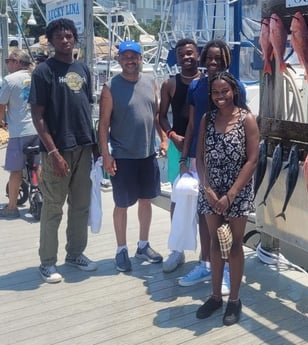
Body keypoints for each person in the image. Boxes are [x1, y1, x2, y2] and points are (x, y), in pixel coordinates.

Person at [29, 18, 98, 283]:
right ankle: (47, 262)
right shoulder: (43, 72)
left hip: (84, 146)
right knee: (53, 207)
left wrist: (96, 148)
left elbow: (86, 108)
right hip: (57, 150)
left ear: (75, 39)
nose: (65, 40)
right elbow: (38, 117)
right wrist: (54, 153)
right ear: (51, 41)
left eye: (69, 36)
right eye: (59, 37)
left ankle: (75, 253)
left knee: (80, 205)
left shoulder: (83, 68)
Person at [179, 39, 247, 293]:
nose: (213, 62)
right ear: (203, 59)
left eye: (218, 58)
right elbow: (192, 125)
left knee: (227, 217)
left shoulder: (235, 85)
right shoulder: (195, 86)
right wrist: (184, 157)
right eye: (209, 57)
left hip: (228, 160)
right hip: (201, 157)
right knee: (206, 216)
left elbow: (242, 120)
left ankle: (228, 269)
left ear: (226, 60)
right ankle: (206, 263)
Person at [195, 71, 259, 326]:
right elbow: (199, 157)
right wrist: (207, 189)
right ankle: (214, 296)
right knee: (213, 242)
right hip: (211, 190)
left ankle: (234, 300)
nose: (220, 96)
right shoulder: (206, 119)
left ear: (234, 91)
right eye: (215, 92)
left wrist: (230, 195)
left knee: (234, 245)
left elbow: (252, 160)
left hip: (237, 191)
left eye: (225, 91)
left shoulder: (247, 120)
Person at [98, 40, 163, 272]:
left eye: (134, 56)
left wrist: (163, 138)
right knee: (122, 204)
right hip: (123, 156)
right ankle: (121, 249)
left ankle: (143, 244)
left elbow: (155, 117)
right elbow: (103, 125)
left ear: (140, 59)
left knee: (147, 201)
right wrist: (106, 155)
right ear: (119, 60)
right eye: (125, 56)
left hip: (147, 154)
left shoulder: (151, 82)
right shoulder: (110, 86)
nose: (130, 60)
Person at [158, 38, 202, 273]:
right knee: (177, 199)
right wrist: (172, 135)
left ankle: (206, 253)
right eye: (181, 55)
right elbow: (162, 116)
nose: (186, 58)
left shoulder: (207, 82)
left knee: (203, 200)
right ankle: (177, 250)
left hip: (202, 148)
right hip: (178, 147)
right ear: (176, 59)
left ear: (197, 54)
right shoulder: (169, 84)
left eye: (190, 53)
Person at [0, 49, 39, 219]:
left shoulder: (9, 80)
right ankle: (42, 195)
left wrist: (1, 122)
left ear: (16, 62)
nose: (6, 63)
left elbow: (1, 106)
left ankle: (12, 207)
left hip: (19, 131)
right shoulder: (37, 77)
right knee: (38, 166)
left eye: (8, 60)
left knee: (15, 171)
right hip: (38, 129)